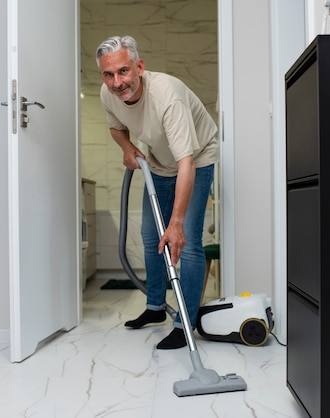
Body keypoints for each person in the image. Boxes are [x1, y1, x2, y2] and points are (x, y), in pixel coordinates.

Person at [95, 35, 219, 349]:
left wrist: (176, 223)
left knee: (185, 240)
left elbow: (187, 161)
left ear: (139, 67)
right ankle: (155, 308)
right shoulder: (108, 94)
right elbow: (115, 125)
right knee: (152, 236)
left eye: (123, 71)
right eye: (108, 74)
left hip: (198, 158)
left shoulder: (167, 95)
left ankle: (185, 322)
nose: (117, 82)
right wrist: (126, 147)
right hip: (160, 163)